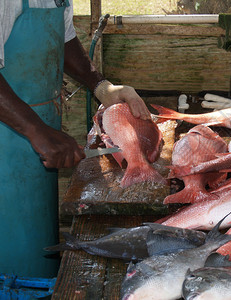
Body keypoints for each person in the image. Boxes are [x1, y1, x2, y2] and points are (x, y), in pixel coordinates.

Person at [0, 0, 151, 278]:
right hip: (8, 132)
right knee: (9, 240)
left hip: (42, 122)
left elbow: (64, 38)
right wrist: (35, 130)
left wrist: (101, 86)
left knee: (37, 229)